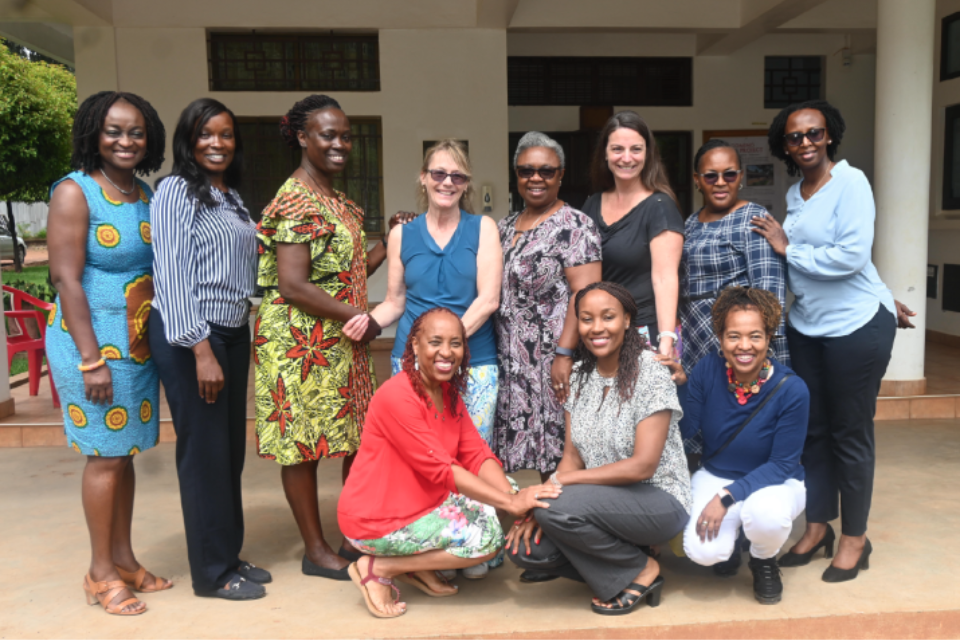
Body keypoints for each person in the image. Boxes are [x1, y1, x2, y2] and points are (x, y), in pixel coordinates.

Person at [254, 94, 406, 580]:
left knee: (357, 441)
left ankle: (349, 534)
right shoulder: (296, 198)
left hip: (339, 341)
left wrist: (389, 242)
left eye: (346, 136)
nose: (340, 144)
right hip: (300, 345)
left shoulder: (334, 198)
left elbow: (347, 270)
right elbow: (293, 284)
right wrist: (362, 317)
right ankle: (315, 549)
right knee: (303, 446)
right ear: (302, 137)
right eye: (328, 135)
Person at [343, 139, 503, 578]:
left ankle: (470, 548)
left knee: (468, 453)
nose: (446, 183)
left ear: (466, 183)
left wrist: (448, 347)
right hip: (412, 365)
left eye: (457, 176)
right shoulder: (401, 234)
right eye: (438, 174)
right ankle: (434, 547)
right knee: (424, 458)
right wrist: (367, 322)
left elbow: (487, 300)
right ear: (424, 178)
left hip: (474, 359)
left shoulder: (483, 228)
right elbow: (395, 302)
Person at [752, 99, 896, 583]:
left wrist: (788, 248)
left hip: (855, 326)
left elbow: (851, 256)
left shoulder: (850, 182)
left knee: (849, 434)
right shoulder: (796, 193)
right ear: (784, 145)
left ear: (830, 135)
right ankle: (817, 527)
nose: (806, 143)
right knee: (812, 431)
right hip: (807, 326)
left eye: (814, 133)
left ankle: (856, 538)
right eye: (795, 137)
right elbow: (806, 265)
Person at [337, 307, 559, 618]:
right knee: (486, 540)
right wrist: (511, 505)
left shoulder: (447, 392)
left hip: (422, 501)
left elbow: (476, 454)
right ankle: (378, 567)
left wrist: (512, 497)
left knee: (504, 487)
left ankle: (418, 566)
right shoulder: (397, 396)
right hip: (377, 519)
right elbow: (442, 470)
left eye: (456, 343)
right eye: (435, 342)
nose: (447, 352)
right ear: (415, 345)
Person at [47, 91, 168, 616]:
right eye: (114, 131)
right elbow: (66, 279)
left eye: (135, 132)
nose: (125, 141)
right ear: (94, 133)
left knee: (125, 455)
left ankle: (122, 559)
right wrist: (91, 359)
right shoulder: (75, 193)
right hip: (89, 342)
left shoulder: (142, 193)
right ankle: (99, 574)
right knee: (106, 456)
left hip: (135, 343)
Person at [507, 282, 691, 616]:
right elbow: (572, 457)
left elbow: (642, 467)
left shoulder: (651, 371)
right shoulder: (577, 377)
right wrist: (544, 499)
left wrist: (557, 490)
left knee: (554, 510)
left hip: (658, 500)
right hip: (603, 504)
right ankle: (631, 558)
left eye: (608, 317)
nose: (597, 328)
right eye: (587, 319)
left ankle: (640, 570)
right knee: (526, 551)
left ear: (626, 320)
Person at [149, 98, 269, 600]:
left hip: (232, 330)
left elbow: (246, 270)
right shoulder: (177, 191)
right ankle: (211, 573)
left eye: (225, 135)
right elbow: (172, 274)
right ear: (188, 141)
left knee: (229, 455)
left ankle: (229, 554)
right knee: (203, 456)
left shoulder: (230, 197)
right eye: (205, 135)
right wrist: (201, 350)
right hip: (192, 335)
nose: (216, 144)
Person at [678, 287, 809, 605]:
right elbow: (685, 429)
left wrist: (725, 497)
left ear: (768, 338)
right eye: (734, 336)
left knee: (765, 515)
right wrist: (679, 388)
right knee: (703, 552)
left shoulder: (792, 389)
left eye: (755, 336)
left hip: (775, 481)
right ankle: (731, 543)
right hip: (717, 472)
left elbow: (781, 465)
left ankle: (764, 559)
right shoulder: (707, 370)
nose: (744, 346)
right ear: (720, 338)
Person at [494, 131, 601, 480]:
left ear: (561, 174)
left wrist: (564, 354)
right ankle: (539, 518)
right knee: (528, 448)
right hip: (512, 359)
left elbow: (584, 295)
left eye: (546, 171)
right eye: (526, 171)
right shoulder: (505, 226)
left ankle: (561, 525)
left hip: (552, 357)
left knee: (557, 446)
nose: (535, 178)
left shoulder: (575, 226)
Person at [580, 111, 684, 357]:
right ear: (605, 153)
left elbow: (665, 278)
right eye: (617, 149)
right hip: (600, 333)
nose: (626, 158)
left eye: (636, 149)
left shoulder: (660, 206)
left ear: (648, 154)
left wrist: (667, 339)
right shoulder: (592, 205)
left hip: (645, 331)